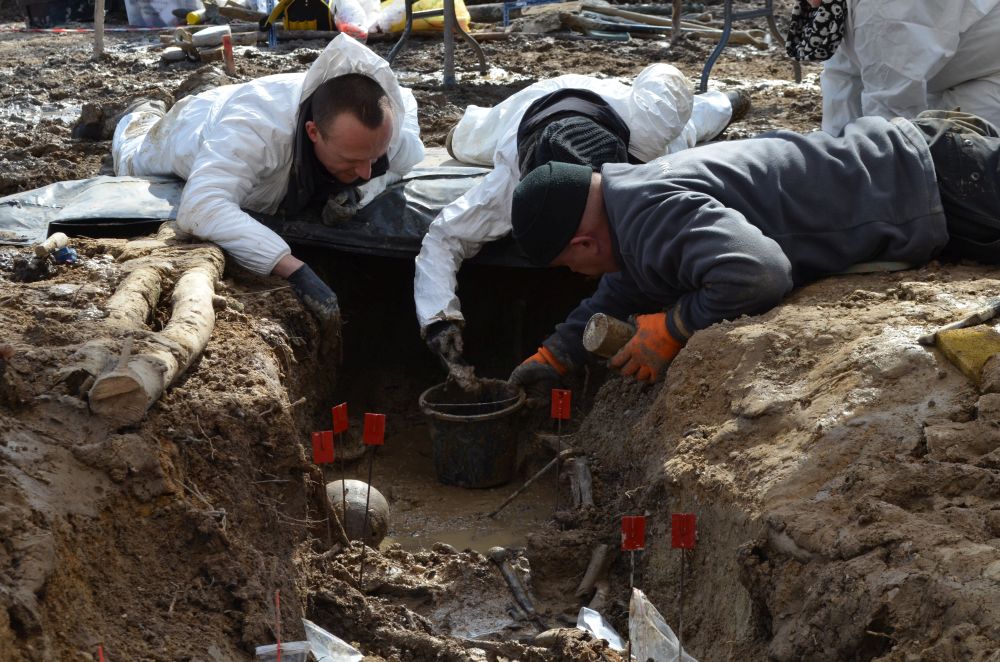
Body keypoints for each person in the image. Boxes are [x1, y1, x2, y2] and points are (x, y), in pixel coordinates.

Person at [506, 110, 1000, 393]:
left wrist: (675, 326)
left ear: (583, 242)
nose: (580, 274)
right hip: (920, 170)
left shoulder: (648, 214)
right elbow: (627, 284)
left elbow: (760, 273)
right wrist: (556, 355)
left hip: (943, 184)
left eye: (570, 264)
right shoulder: (628, 195)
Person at [414, 64, 749, 371]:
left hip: (616, 103)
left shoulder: (651, 125)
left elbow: (667, 76)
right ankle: (465, 130)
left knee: (692, 125)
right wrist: (439, 317)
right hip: (522, 112)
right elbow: (444, 236)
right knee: (463, 141)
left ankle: (723, 104)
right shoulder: (507, 186)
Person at [112, 35, 424, 345]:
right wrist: (294, 269)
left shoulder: (387, 132)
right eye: (352, 160)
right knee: (132, 157)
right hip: (196, 124)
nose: (366, 172)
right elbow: (201, 207)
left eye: (374, 159)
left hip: (253, 106)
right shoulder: (254, 129)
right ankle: (142, 110)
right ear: (313, 132)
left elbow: (401, 164)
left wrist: (361, 191)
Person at [791, 0, 1000, 136]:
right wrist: (831, 159)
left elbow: (892, 114)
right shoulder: (835, 7)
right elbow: (843, 79)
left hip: (987, 78)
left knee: (957, 164)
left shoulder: (887, 9)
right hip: (942, 74)